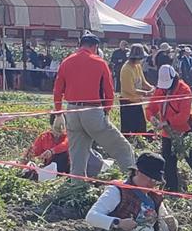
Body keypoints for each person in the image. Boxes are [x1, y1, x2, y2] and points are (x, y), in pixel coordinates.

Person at [84, 153, 178, 231]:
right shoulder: (118, 191)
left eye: (155, 180)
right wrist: (118, 223)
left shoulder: (154, 197)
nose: (152, 183)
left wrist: (171, 224)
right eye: (149, 178)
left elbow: (167, 230)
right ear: (137, 172)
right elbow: (91, 216)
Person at [53, 34, 136, 178]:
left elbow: (57, 90)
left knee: (77, 156)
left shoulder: (66, 62)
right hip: (93, 111)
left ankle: (77, 187)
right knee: (122, 148)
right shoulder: (99, 62)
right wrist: (106, 112)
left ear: (80, 45)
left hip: (71, 111)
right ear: (95, 47)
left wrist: (59, 113)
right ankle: (132, 182)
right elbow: (109, 92)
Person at [147, 65, 192, 194]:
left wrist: (167, 122)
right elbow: (151, 107)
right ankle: (172, 189)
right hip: (167, 132)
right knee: (168, 161)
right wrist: (152, 118)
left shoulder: (184, 90)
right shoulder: (161, 90)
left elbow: (184, 115)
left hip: (185, 130)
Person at [119, 44, 152, 137]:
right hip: (127, 103)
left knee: (141, 128)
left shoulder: (137, 66)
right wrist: (146, 93)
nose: (141, 60)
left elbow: (143, 82)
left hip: (137, 102)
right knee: (128, 130)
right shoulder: (126, 69)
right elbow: (129, 89)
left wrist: (152, 88)